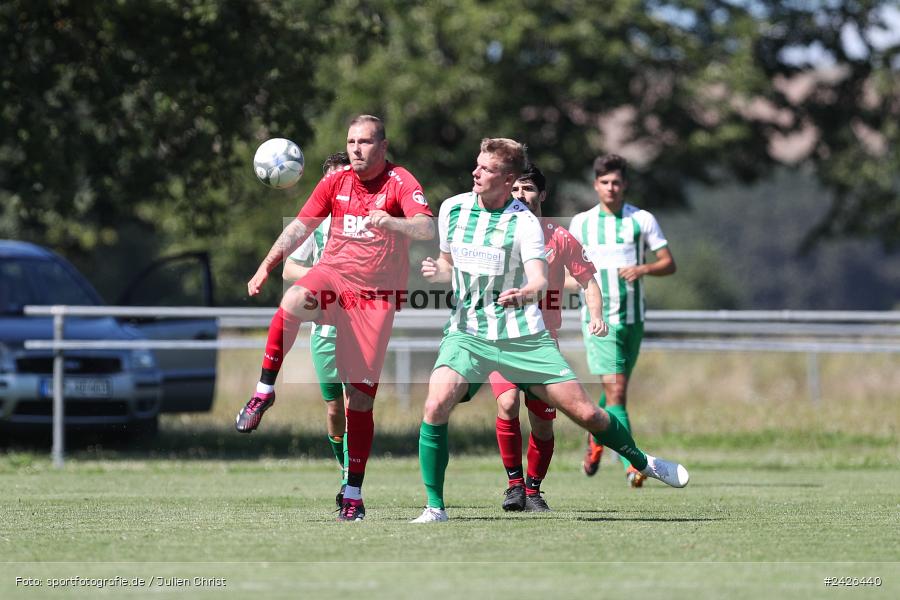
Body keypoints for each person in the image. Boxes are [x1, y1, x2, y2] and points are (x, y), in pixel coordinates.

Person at [412, 138, 688, 524]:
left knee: (588, 414)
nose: (475, 172)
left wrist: (527, 291)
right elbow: (446, 265)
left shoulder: (525, 222)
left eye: (486, 169)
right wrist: (437, 272)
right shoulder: (453, 208)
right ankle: (435, 508)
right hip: (469, 333)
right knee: (436, 404)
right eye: (476, 165)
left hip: (525, 337)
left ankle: (644, 462)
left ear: (507, 179)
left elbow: (540, 280)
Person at [237, 116, 435, 521]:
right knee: (292, 301)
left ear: (382, 145)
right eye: (351, 141)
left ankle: (353, 491)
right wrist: (265, 267)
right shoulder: (335, 181)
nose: (356, 149)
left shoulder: (400, 181)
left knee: (358, 402)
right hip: (334, 276)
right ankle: (263, 391)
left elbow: (426, 227)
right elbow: (298, 228)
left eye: (365, 142)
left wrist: (392, 221)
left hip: (375, 298)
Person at [487, 163, 608, 513]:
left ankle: (534, 489)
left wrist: (596, 314)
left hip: (542, 342)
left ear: (542, 195)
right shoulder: (496, 233)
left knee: (542, 420)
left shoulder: (559, 236)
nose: (520, 196)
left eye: (527, 189)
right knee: (507, 404)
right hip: (502, 337)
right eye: (514, 190)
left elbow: (588, 282)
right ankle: (513, 487)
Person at [569, 154, 676, 487]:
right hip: (600, 320)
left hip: (633, 318)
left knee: (615, 392)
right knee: (616, 393)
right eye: (605, 182)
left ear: (624, 185)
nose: (611, 188)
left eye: (616, 182)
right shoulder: (581, 223)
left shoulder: (641, 220)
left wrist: (642, 269)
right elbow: (568, 270)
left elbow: (668, 263)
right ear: (596, 185)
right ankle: (635, 463)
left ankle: (596, 438)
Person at [281, 151, 351, 508]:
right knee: (334, 410)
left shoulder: (369, 220)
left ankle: (350, 484)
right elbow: (288, 270)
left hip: (361, 326)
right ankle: (346, 469)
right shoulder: (314, 222)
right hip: (325, 329)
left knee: (357, 405)